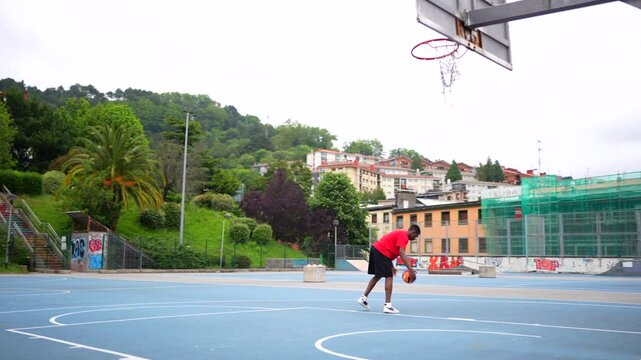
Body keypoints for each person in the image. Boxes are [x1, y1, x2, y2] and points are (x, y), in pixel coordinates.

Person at [357, 224, 420, 314]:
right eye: (415, 236)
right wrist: (410, 269)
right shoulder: (404, 236)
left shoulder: (401, 234)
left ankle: (363, 298)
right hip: (381, 251)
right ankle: (388, 306)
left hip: (377, 249)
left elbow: (390, 249)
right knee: (389, 277)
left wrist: (391, 266)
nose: (415, 238)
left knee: (378, 275)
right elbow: (401, 253)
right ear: (413, 232)